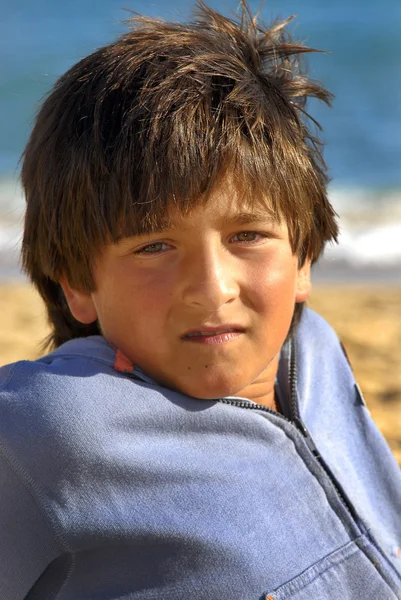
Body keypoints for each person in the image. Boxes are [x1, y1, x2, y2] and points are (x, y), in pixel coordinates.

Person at [1, 1, 400, 598]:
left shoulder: (316, 350)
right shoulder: (55, 432)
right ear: (78, 283)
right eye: (154, 245)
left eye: (248, 236)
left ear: (304, 257)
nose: (214, 287)